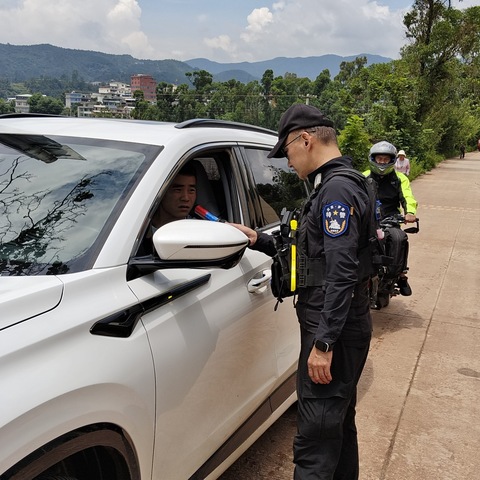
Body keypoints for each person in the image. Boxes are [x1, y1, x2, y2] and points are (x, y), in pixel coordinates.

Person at [233, 103, 373, 479]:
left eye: (288, 152)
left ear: (306, 140)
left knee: (315, 439)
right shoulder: (343, 182)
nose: (287, 162)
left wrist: (324, 344)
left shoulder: (337, 191)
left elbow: (341, 273)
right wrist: (261, 240)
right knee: (338, 425)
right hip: (343, 324)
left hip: (333, 330)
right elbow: (313, 258)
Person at [363, 141, 418, 296]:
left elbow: (407, 197)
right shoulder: (363, 177)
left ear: (392, 160)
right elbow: (353, 197)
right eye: (379, 159)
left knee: (399, 238)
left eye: (385, 159)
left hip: (390, 218)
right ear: (373, 159)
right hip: (368, 219)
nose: (382, 162)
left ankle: (401, 275)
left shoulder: (400, 178)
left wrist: (410, 212)